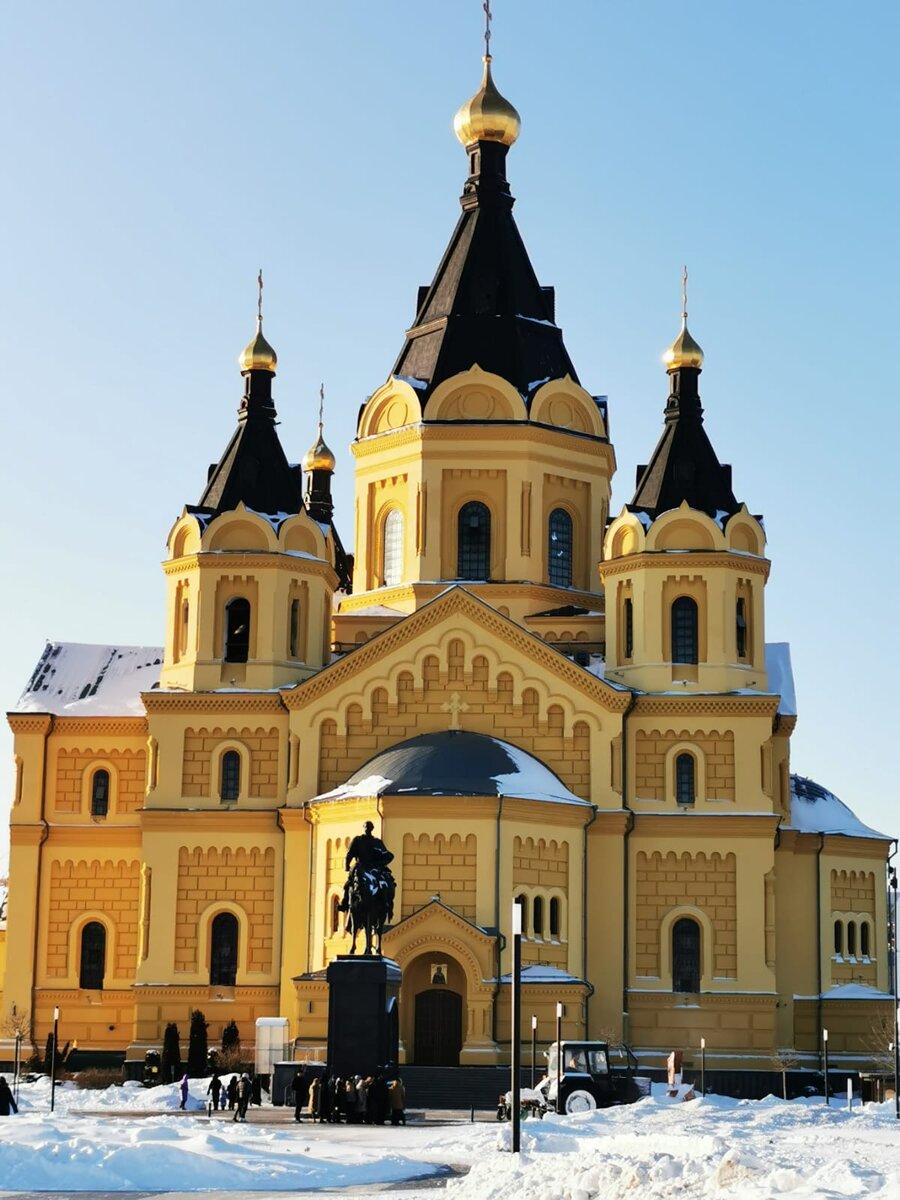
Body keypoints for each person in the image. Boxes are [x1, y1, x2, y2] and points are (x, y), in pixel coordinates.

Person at [338, 821, 395, 912]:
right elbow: (350, 854)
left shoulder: (377, 842)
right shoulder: (358, 840)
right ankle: (344, 903)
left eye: (369, 827)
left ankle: (386, 903)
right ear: (364, 828)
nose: (367, 829)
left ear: (372, 829)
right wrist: (347, 865)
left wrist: (380, 863)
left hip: (374, 869)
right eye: (366, 827)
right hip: (361, 868)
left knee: (385, 883)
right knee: (348, 885)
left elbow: (387, 855)